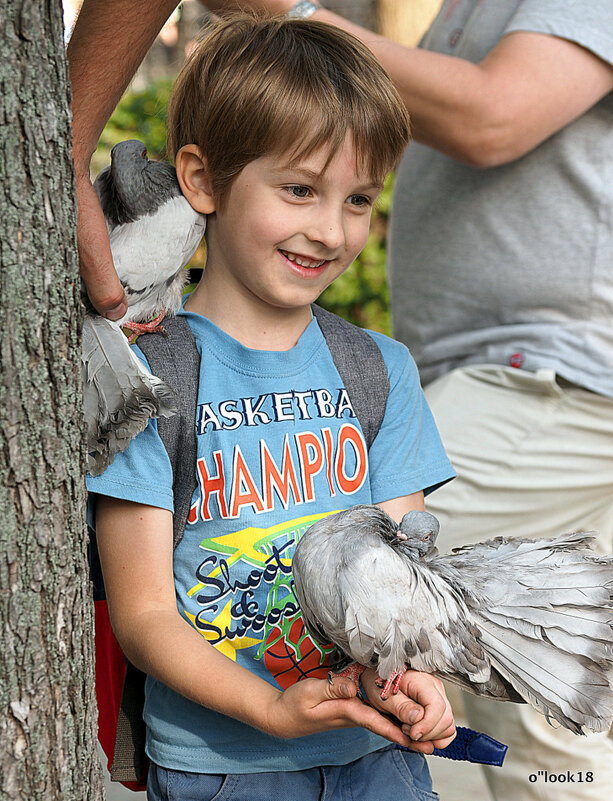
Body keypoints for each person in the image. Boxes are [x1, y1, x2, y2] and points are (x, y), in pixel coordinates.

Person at [195, 3, 613, 801]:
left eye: (358, 199)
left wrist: (291, 16)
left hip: (549, 378)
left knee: (337, 561)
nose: (337, 226)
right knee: (549, 712)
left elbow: (493, 115)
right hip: (504, 370)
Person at [86, 15, 456, 801]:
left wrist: (416, 680)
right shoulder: (148, 379)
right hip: (220, 770)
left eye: (358, 198)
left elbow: (401, 584)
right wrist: (267, 707)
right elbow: (145, 612)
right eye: (299, 189)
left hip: (375, 760)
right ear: (203, 179)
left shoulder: (377, 372)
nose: (330, 230)